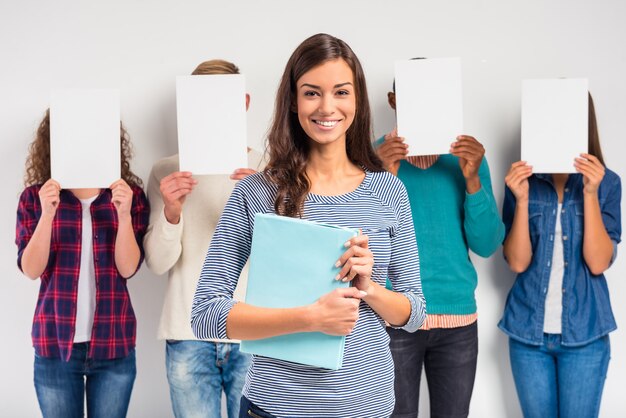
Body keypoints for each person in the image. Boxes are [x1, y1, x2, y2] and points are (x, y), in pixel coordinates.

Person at [191, 33, 426, 418]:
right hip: (275, 408)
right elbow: (205, 314)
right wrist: (309, 318)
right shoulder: (257, 192)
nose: (327, 107)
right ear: (294, 101)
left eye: (341, 92)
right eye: (312, 92)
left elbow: (413, 314)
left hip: (368, 407)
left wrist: (369, 288)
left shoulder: (389, 191)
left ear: (357, 99)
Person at [375, 68, 504, 418]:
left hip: (457, 317)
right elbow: (359, 242)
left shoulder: (467, 160)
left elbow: (487, 244)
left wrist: (473, 179)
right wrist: (382, 177)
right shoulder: (371, 158)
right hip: (393, 317)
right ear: (393, 101)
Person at [143, 59, 262, 418]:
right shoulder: (166, 171)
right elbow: (157, 262)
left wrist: (261, 203)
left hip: (254, 331)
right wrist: (171, 211)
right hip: (188, 332)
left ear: (243, 103)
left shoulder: (270, 166)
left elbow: (286, 259)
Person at [15, 110, 149, 418]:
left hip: (114, 344)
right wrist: (47, 215)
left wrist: (124, 215)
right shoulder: (34, 198)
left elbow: (128, 268)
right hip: (54, 345)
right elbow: (31, 269)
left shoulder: (130, 197)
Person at [499, 93, 621, 418]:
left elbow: (598, 262)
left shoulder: (607, 183)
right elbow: (517, 262)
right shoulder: (522, 183)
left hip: (585, 337)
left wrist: (590, 194)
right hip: (528, 335)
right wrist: (522, 200)